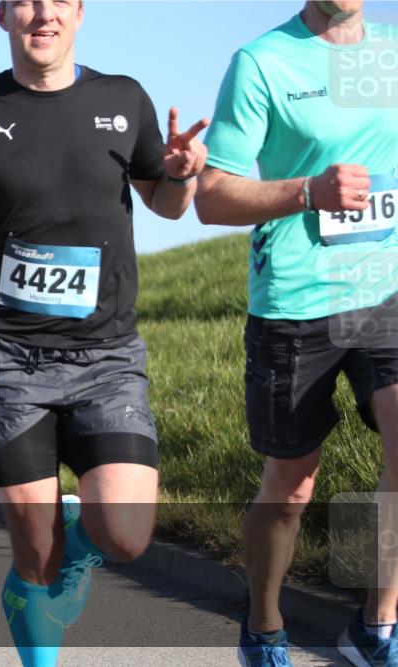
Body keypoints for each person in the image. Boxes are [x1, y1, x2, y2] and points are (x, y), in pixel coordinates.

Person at [0, 1, 209, 663]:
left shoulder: (123, 99)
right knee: (35, 554)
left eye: (58, 1)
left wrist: (181, 176)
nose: (43, 12)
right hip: (5, 355)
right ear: (4, 16)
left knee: (125, 537)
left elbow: (167, 202)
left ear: (80, 13)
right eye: (26, 1)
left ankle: (79, 538)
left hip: (107, 354)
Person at [194, 2, 398, 665]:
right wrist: (308, 191)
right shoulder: (264, 62)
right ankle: (263, 624)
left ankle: (378, 625)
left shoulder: (387, 52)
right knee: (292, 483)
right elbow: (213, 193)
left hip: (384, 292)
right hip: (297, 297)